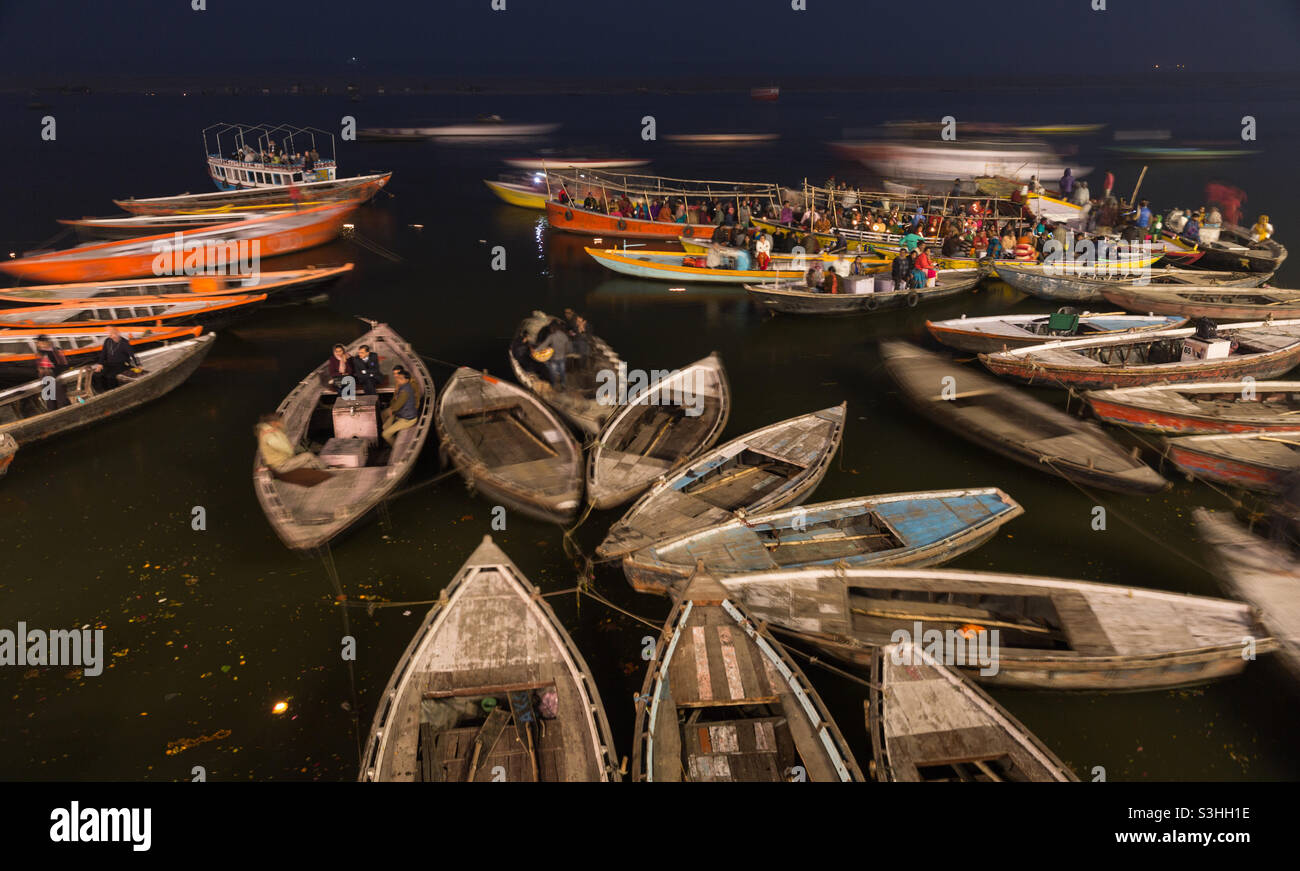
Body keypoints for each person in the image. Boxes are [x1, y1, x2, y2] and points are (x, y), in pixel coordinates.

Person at [256, 412, 328, 475]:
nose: (282, 422)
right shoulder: (271, 436)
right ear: (274, 423)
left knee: (310, 463)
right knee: (308, 455)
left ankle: (322, 467)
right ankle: (327, 468)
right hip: (282, 465)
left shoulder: (267, 432)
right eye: (280, 421)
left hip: (280, 465)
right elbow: (286, 449)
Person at [381, 367, 420, 447]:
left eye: (400, 378)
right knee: (385, 426)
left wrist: (392, 410)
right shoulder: (403, 386)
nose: (397, 379)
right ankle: (391, 439)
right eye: (398, 378)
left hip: (407, 419)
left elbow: (396, 406)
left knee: (385, 434)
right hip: (402, 414)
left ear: (407, 380)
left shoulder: (404, 391)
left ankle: (395, 447)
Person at [91, 327, 139, 392]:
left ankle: (113, 391)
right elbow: (103, 353)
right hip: (109, 363)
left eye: (113, 334)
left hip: (121, 364)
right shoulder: (107, 341)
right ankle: (101, 391)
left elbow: (133, 355)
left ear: (117, 333)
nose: (111, 336)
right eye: (110, 334)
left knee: (110, 376)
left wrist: (138, 364)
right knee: (95, 375)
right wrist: (100, 364)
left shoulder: (124, 343)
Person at [34, 335, 71, 410]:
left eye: (40, 343)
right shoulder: (40, 353)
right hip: (48, 376)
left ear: (46, 342)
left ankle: (60, 405)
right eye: (38, 343)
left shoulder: (55, 350)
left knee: (51, 385)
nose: (38, 344)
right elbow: (40, 368)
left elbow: (64, 363)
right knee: (49, 384)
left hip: (54, 374)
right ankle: (60, 405)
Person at [533, 321, 570, 388]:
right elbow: (567, 345)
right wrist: (566, 353)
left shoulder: (551, 336)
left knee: (552, 372)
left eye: (551, 328)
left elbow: (544, 345)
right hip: (562, 357)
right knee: (562, 371)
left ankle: (553, 385)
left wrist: (535, 350)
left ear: (553, 328)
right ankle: (563, 384)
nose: (550, 330)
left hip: (554, 358)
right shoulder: (564, 335)